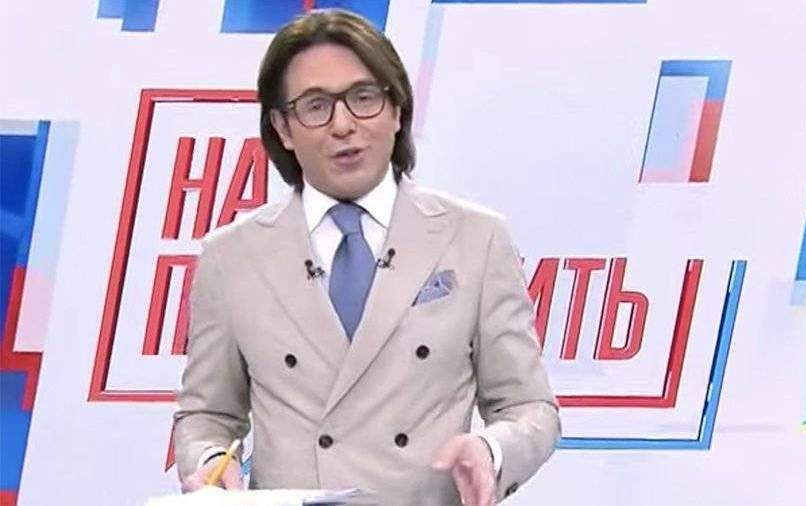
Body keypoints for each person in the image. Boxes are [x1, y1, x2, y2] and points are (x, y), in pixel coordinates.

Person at [173, 9, 559, 506]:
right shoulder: (232, 256)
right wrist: (209, 460)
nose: (343, 125)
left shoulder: (475, 239)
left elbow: (529, 407)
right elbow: (207, 415)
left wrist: (492, 450)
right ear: (283, 128)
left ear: (396, 109)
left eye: (363, 98)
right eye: (316, 106)